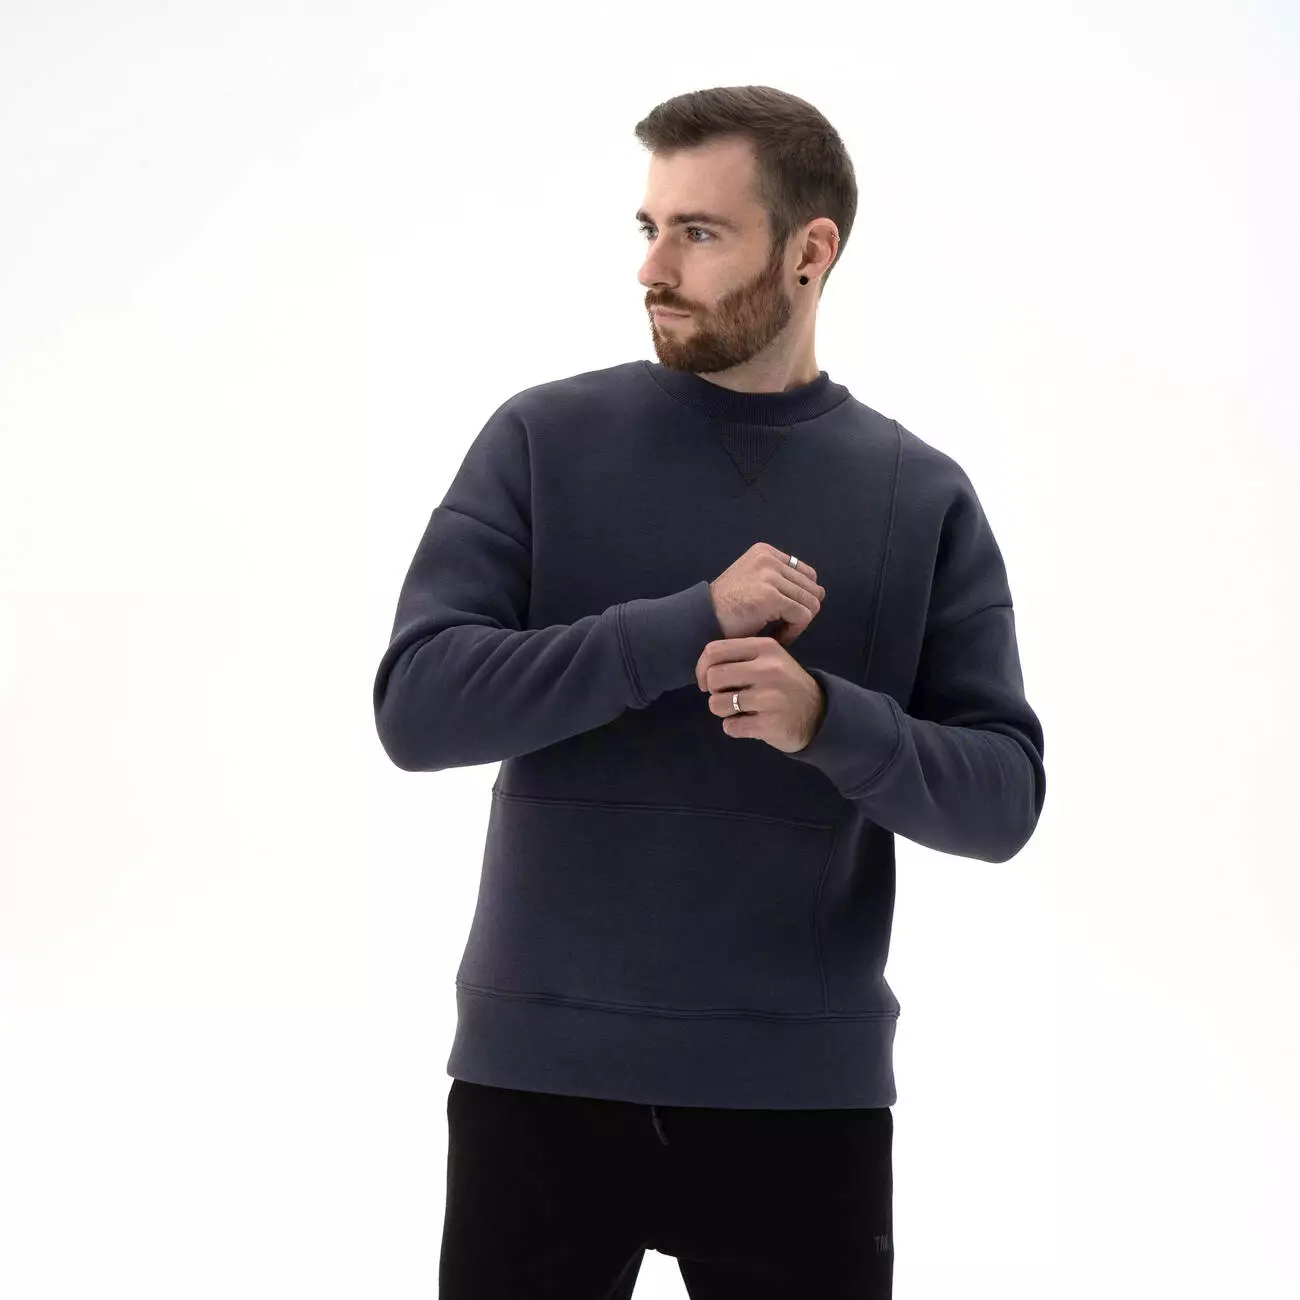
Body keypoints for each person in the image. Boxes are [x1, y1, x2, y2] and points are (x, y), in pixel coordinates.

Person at [373, 84, 1047, 1299]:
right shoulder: (540, 440)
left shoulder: (918, 493)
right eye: (649, 227)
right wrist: (684, 625)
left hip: (800, 1106)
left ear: (809, 251)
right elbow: (417, 708)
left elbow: (1001, 799)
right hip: (540, 1087)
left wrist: (825, 720)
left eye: (699, 232)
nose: (653, 267)